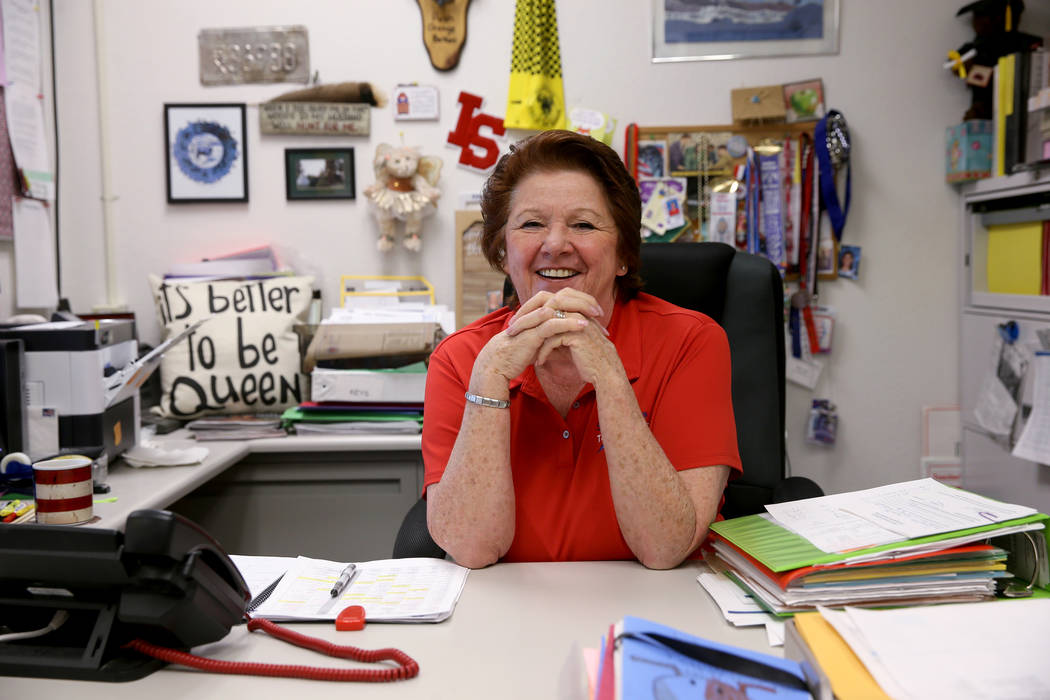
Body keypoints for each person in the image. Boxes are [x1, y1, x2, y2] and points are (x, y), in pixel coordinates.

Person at [422, 130, 741, 570]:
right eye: (532, 224)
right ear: (502, 250)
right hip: (508, 615)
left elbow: (665, 547)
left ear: (623, 254)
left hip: (655, 611)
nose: (555, 244)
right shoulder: (461, 358)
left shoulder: (692, 343)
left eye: (584, 224)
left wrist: (611, 379)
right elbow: (471, 549)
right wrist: (489, 382)